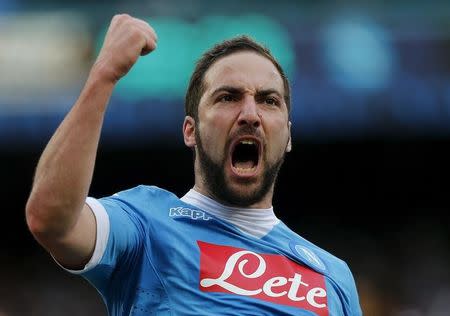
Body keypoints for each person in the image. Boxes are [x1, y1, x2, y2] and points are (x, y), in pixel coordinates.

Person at [25, 14, 362, 316]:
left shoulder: (332, 277)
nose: (250, 115)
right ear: (191, 131)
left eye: (268, 100)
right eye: (227, 97)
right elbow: (51, 219)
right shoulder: (144, 224)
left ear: (287, 135)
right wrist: (104, 76)